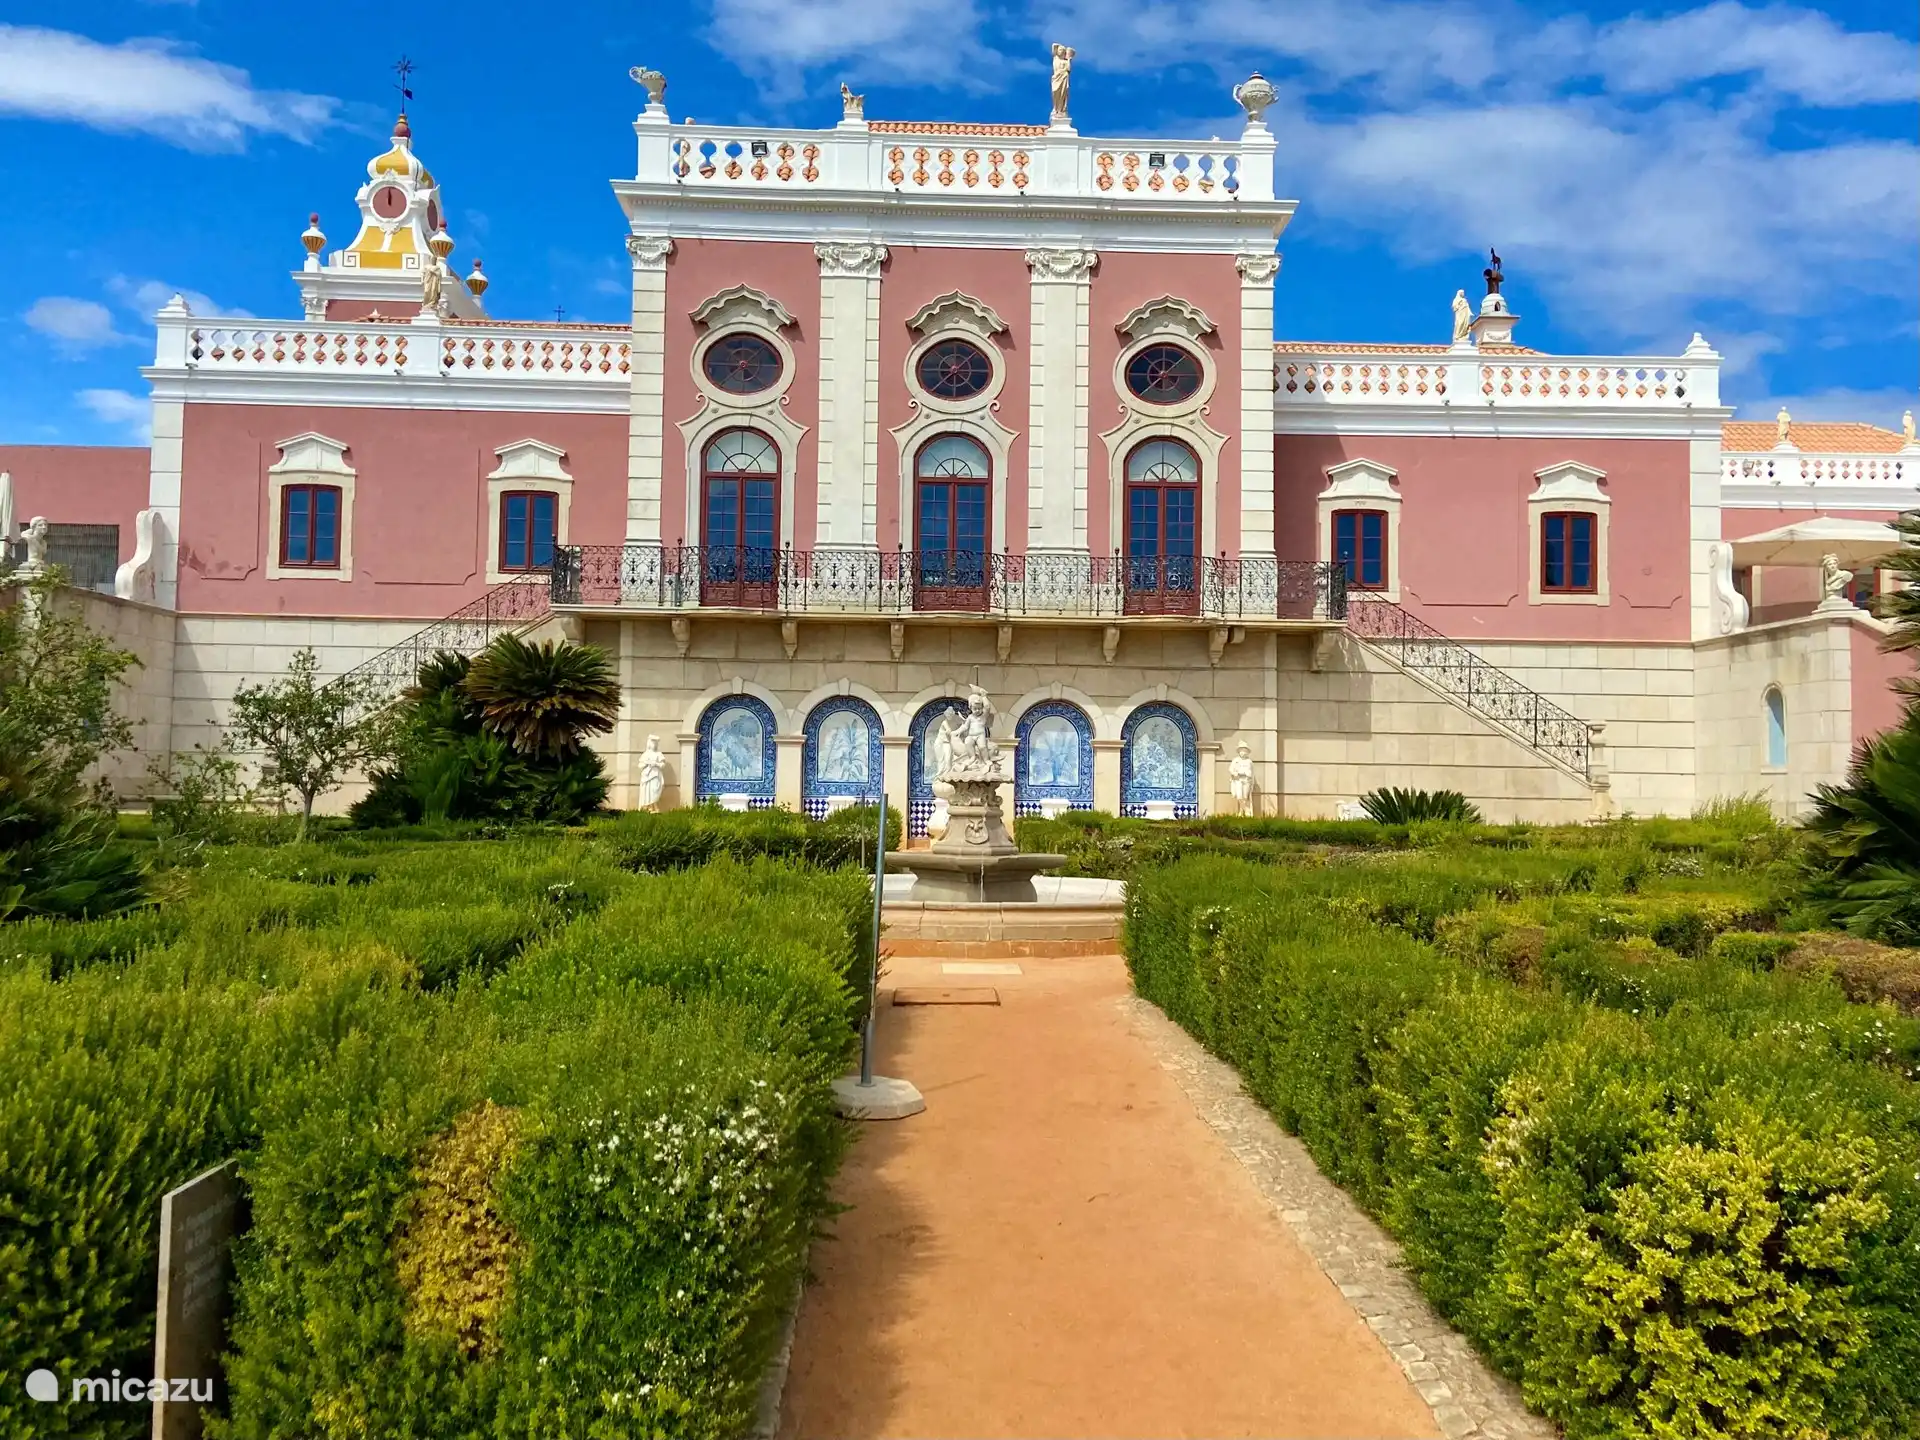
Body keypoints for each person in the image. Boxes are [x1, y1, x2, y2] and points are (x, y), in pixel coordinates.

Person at [638, 735, 667, 810]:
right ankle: (649, 807)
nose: (655, 745)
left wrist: (656, 764)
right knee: (647, 791)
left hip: (656, 775)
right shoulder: (645, 754)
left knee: (655, 790)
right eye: (653, 743)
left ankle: (654, 805)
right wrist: (646, 764)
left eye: (656, 743)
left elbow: (663, 765)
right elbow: (640, 765)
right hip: (647, 776)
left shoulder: (659, 754)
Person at [1228, 741, 1255, 816]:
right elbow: (1231, 769)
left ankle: (1241, 811)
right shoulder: (1235, 760)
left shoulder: (1249, 762)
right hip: (1238, 780)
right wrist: (1234, 773)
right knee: (1239, 796)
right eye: (1241, 751)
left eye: (1244, 751)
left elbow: (1252, 773)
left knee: (1245, 796)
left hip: (1246, 780)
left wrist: (1249, 776)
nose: (1243, 753)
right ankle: (1245, 809)